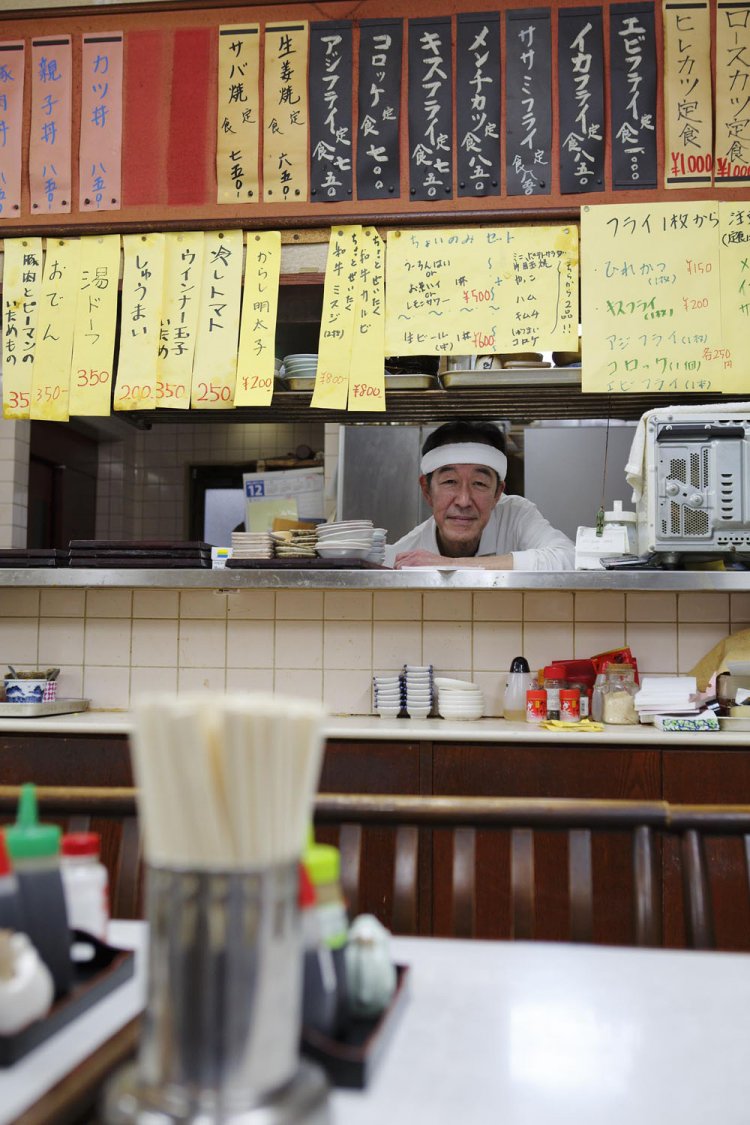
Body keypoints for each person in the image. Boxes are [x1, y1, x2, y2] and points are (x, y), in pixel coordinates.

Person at [384, 420, 575, 570]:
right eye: (450, 482)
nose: (464, 501)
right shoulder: (406, 555)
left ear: (497, 493)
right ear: (427, 490)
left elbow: (569, 558)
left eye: (479, 484)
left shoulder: (515, 515)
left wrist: (450, 565)